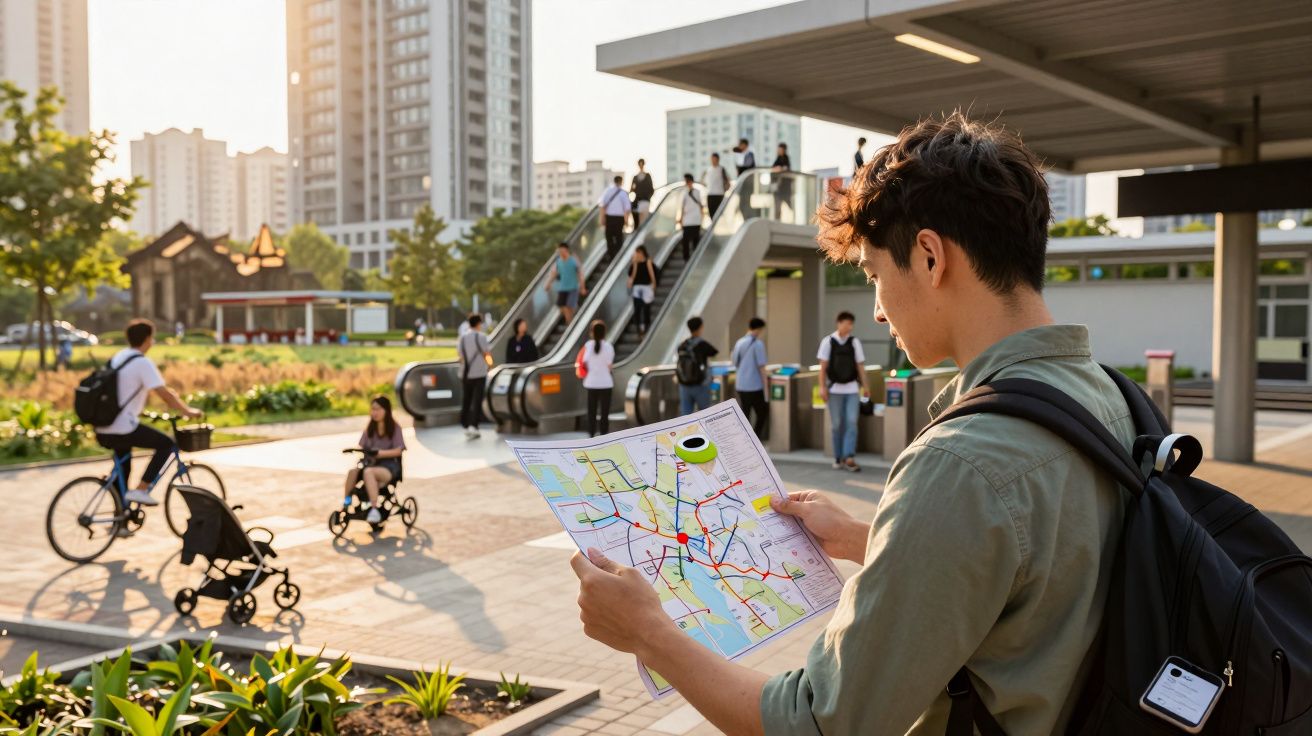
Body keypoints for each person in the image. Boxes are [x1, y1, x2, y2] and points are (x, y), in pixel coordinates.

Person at [568, 112, 1136, 736]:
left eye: (873, 274)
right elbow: (1033, 573)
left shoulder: (962, 463)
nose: (877, 309)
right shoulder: (1110, 398)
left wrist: (649, 633)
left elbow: (819, 722)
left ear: (929, 257)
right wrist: (868, 539)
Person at [93, 319, 202, 507]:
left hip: (104, 425)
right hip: (122, 427)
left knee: (124, 466)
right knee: (167, 445)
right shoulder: (142, 362)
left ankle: (121, 515)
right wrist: (188, 411)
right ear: (147, 339)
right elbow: (164, 394)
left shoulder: (120, 356)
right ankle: (142, 489)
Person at [344, 395, 406, 524]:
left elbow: (399, 450)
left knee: (369, 472)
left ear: (386, 410)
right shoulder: (369, 429)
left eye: (378, 409)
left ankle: (374, 509)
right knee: (353, 472)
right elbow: (361, 446)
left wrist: (380, 453)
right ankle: (346, 502)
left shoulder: (395, 428)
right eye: (372, 409)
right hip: (370, 463)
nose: (374, 412)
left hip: (389, 467)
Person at [818, 311, 867, 472]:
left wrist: (866, 386)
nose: (850, 327)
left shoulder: (854, 342)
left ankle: (849, 457)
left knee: (851, 422)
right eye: (847, 323)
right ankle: (838, 457)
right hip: (834, 390)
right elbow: (822, 368)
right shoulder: (828, 341)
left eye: (851, 324)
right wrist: (822, 387)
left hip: (852, 389)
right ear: (839, 323)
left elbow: (860, 365)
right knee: (837, 424)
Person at [730, 318, 769, 440]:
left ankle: (744, 440)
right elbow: (761, 367)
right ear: (758, 329)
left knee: (745, 414)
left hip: (741, 384)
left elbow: (734, 362)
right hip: (754, 386)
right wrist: (766, 386)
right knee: (762, 412)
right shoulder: (758, 344)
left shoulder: (739, 342)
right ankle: (755, 438)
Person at [456, 314, 492, 439]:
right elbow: (487, 353)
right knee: (477, 400)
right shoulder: (481, 336)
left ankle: (465, 424)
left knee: (466, 399)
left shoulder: (462, 337)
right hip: (479, 373)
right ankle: (474, 426)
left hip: (465, 373)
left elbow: (460, 355)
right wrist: (490, 365)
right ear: (478, 324)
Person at [675, 316, 718, 415]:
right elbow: (714, 353)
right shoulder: (702, 344)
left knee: (686, 415)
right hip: (700, 385)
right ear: (700, 327)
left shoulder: (682, 345)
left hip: (684, 385)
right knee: (705, 414)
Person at [579, 320, 615, 437]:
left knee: (592, 412)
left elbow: (584, 363)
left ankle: (591, 435)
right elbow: (609, 365)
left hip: (591, 383)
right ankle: (604, 436)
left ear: (592, 332)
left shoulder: (588, 346)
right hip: (606, 383)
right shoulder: (609, 347)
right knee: (605, 413)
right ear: (604, 333)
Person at [544, 242, 587, 324]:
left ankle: (570, 323)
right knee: (561, 306)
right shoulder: (559, 262)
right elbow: (554, 274)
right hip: (563, 288)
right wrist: (548, 284)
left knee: (569, 307)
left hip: (573, 288)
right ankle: (570, 322)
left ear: (566, 250)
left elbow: (580, 274)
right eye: (559, 251)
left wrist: (582, 287)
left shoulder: (573, 261)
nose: (560, 253)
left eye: (561, 251)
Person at [597, 174, 632, 260]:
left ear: (614, 181)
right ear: (621, 182)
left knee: (609, 237)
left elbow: (602, 205)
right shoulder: (623, 193)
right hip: (619, 218)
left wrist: (602, 218)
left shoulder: (608, 191)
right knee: (619, 237)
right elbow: (627, 208)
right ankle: (618, 255)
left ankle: (611, 255)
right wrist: (626, 220)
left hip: (609, 218)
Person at [627, 246, 656, 337]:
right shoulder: (634, 264)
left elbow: (652, 274)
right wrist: (635, 264)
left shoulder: (648, 262)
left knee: (646, 308)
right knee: (637, 309)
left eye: (638, 252)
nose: (637, 254)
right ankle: (639, 329)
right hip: (637, 289)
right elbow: (632, 276)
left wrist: (654, 285)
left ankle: (646, 327)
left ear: (642, 252)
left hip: (646, 288)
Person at [675, 174, 703, 261]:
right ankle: (688, 258)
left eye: (686, 181)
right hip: (689, 220)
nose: (686, 183)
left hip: (694, 220)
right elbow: (683, 207)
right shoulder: (685, 193)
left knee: (694, 241)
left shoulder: (696, 192)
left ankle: (693, 259)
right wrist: (681, 219)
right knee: (687, 241)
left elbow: (700, 206)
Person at [733, 138, 757, 222]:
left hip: (748, 184)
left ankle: (748, 221)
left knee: (745, 204)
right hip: (743, 184)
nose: (739, 147)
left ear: (744, 145)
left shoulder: (749, 155)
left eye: (740, 145)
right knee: (742, 204)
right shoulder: (741, 155)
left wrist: (739, 168)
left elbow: (747, 168)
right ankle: (746, 221)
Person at [701, 152, 730, 218]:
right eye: (712, 159)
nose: (713, 160)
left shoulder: (722, 169)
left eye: (715, 159)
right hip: (710, 194)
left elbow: (727, 181)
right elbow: (703, 182)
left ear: (718, 159)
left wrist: (725, 190)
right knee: (711, 215)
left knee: (719, 215)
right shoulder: (708, 170)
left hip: (720, 194)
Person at [630, 159, 655, 228]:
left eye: (642, 164)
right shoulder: (635, 177)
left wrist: (648, 198)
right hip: (638, 201)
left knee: (644, 221)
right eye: (639, 164)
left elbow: (651, 189)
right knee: (639, 222)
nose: (641, 166)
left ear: (643, 164)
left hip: (645, 201)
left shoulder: (648, 176)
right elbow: (631, 189)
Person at [771, 142, 793, 219]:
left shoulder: (786, 159)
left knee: (790, 205)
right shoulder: (778, 159)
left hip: (784, 187)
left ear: (784, 150)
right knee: (777, 207)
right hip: (778, 188)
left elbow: (785, 168)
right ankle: (777, 220)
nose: (778, 151)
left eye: (780, 149)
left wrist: (779, 169)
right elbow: (773, 169)